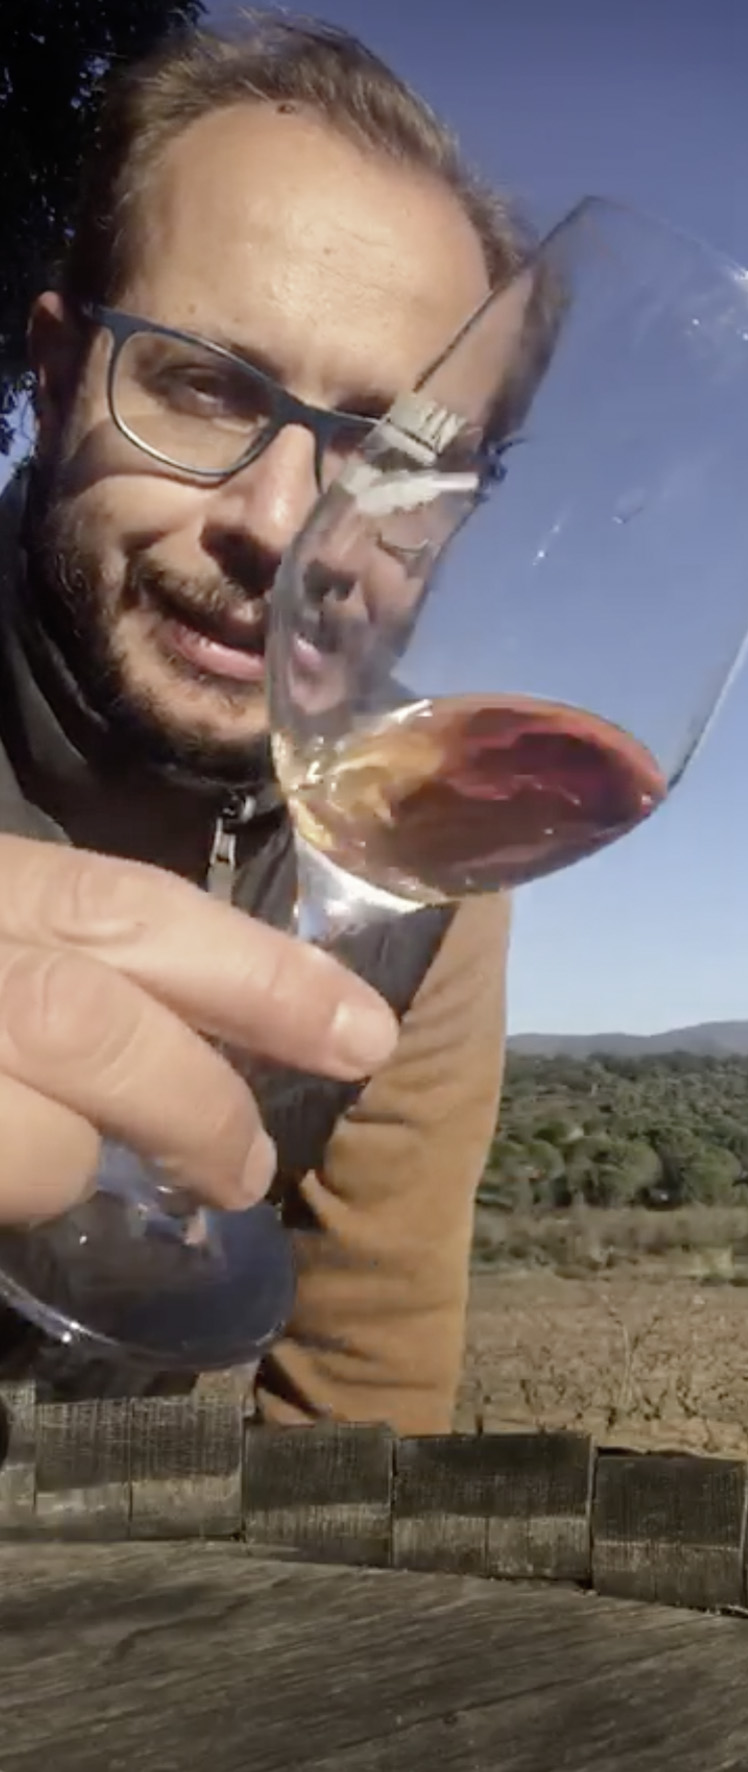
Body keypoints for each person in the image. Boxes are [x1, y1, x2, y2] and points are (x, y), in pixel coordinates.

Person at [0, 17, 533, 1432]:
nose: (285, 525)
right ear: (53, 380)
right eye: (200, 384)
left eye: (398, 462)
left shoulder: (421, 844)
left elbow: (360, 1397)